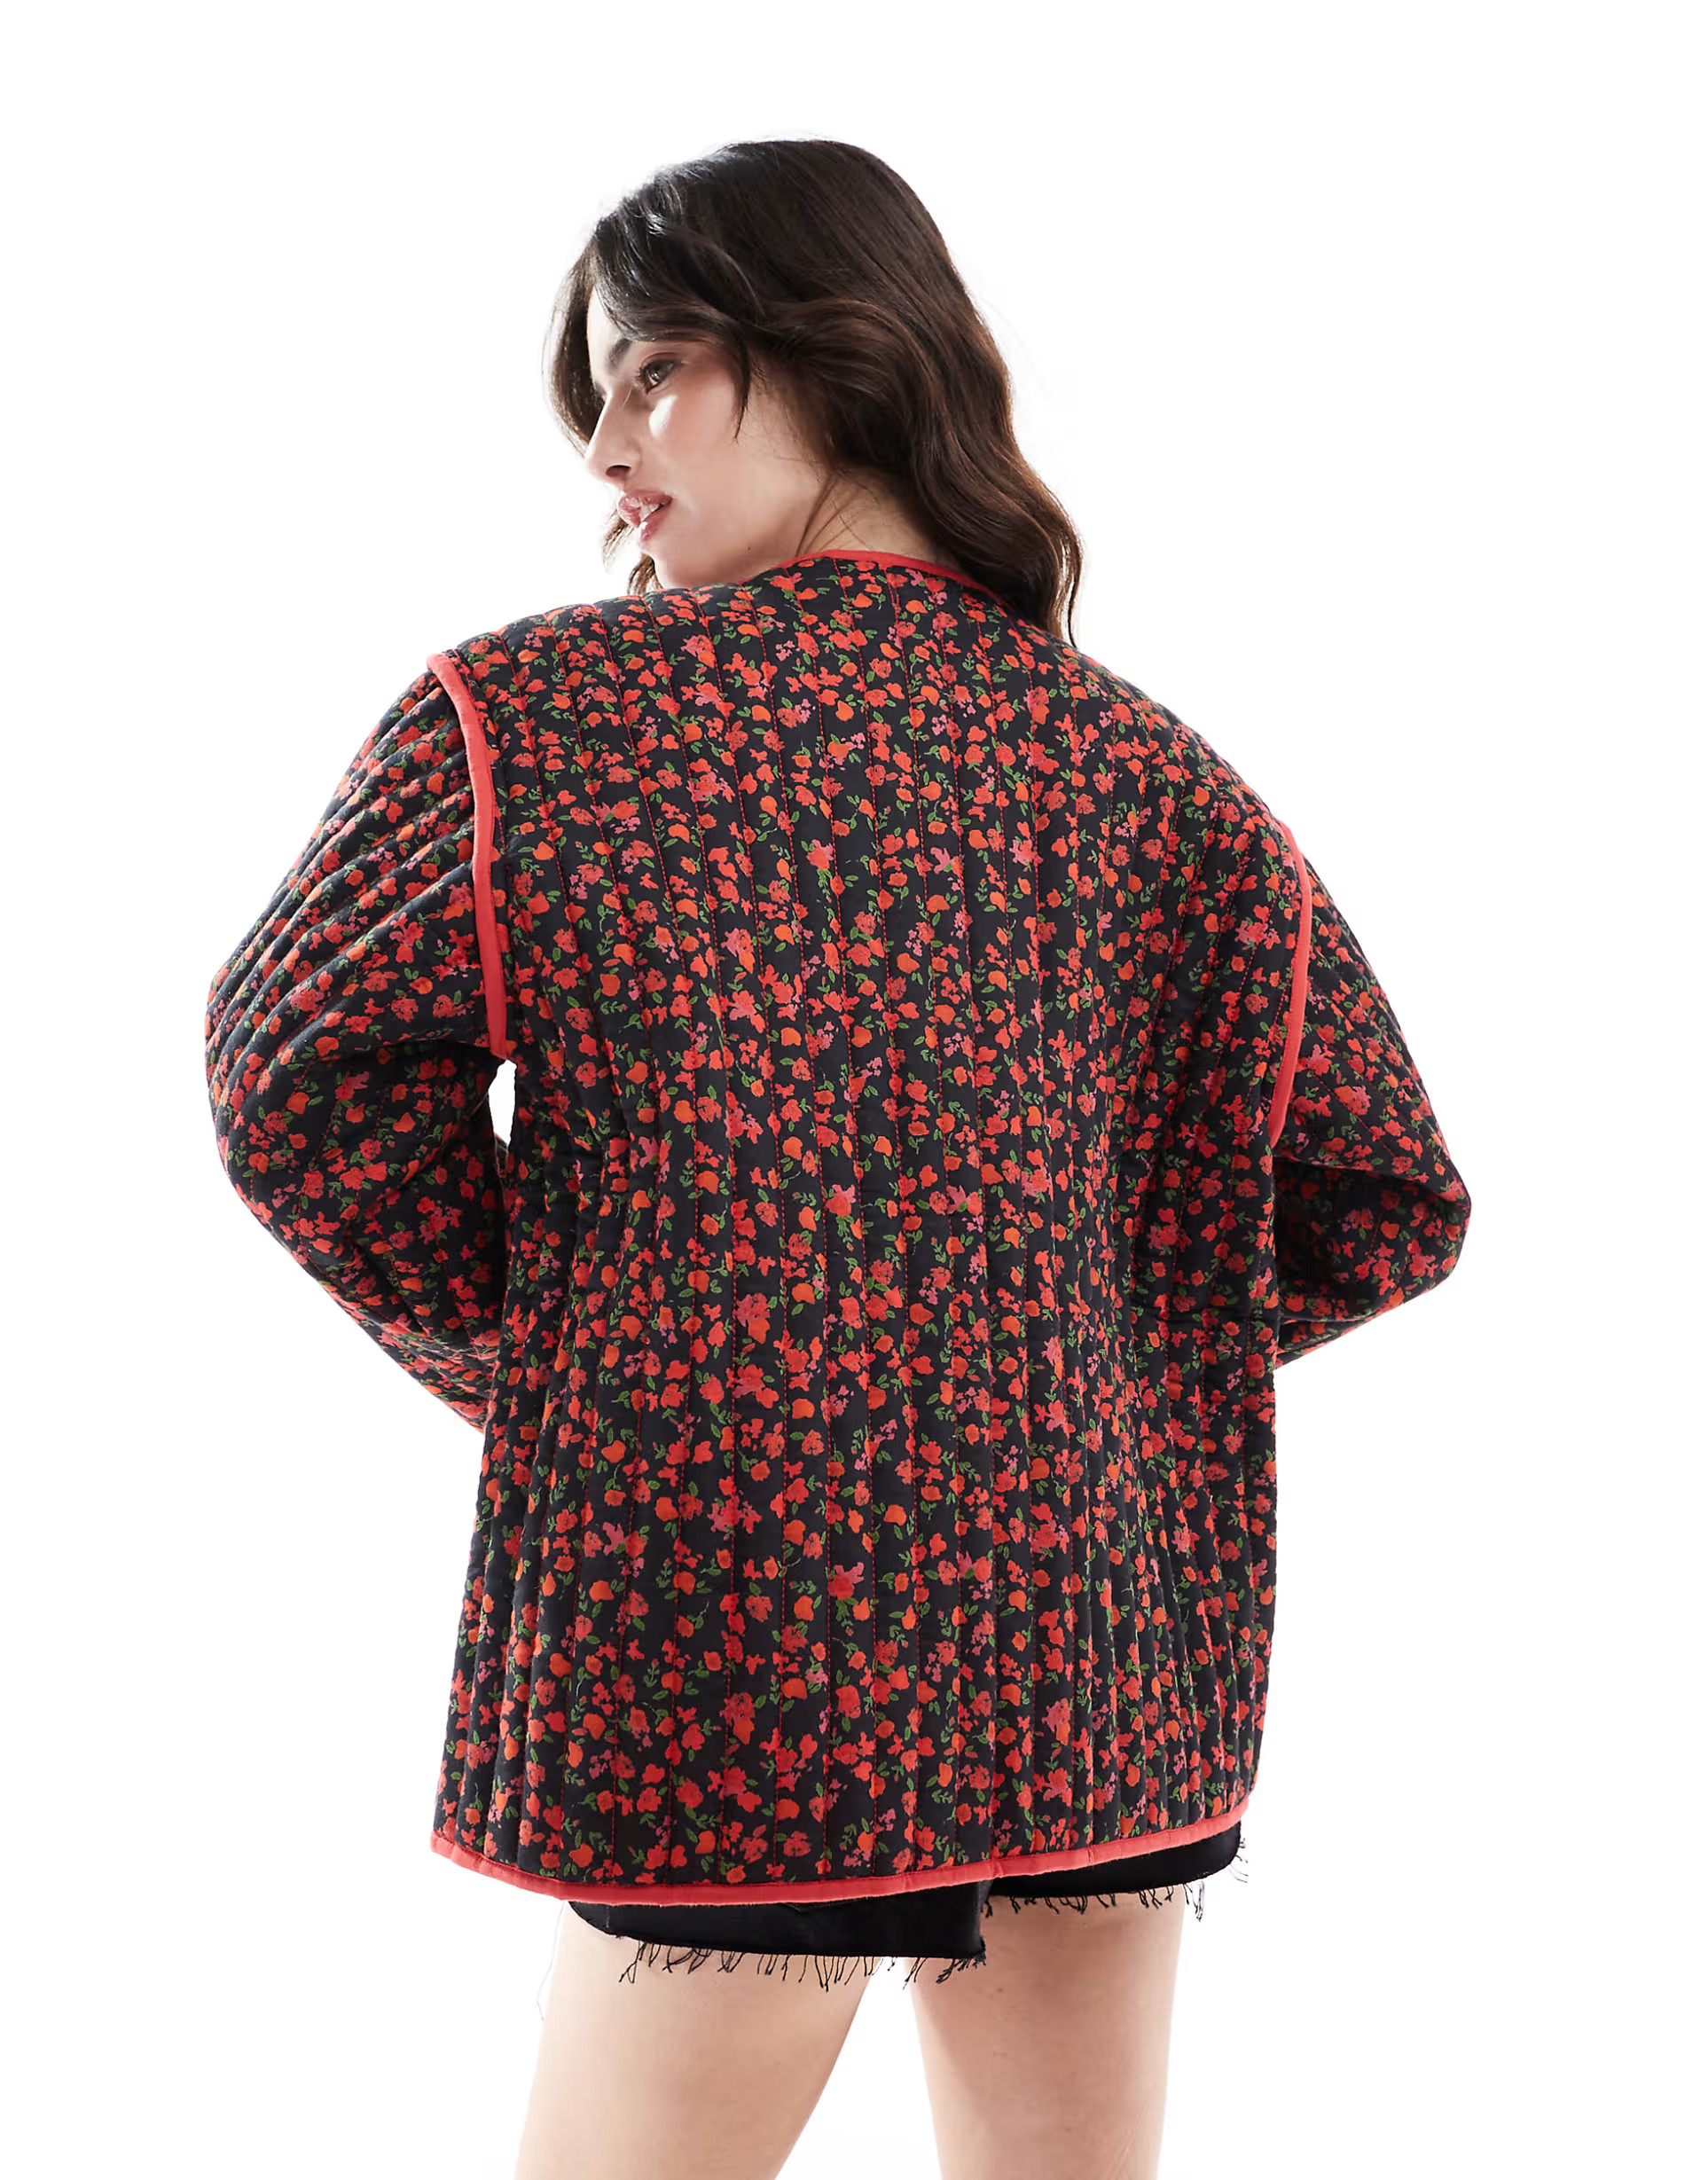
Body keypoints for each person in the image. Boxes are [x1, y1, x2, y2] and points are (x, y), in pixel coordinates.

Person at [204, 138, 1471, 2180]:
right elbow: (1383, 1192)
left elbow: (293, 1073)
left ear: (836, 351)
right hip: (1098, 1650)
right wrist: (1089, 1377)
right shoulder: (1158, 779)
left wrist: (577, 1365)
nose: (607, 445)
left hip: (740, 1631)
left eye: (653, 369)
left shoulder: (540, 720)